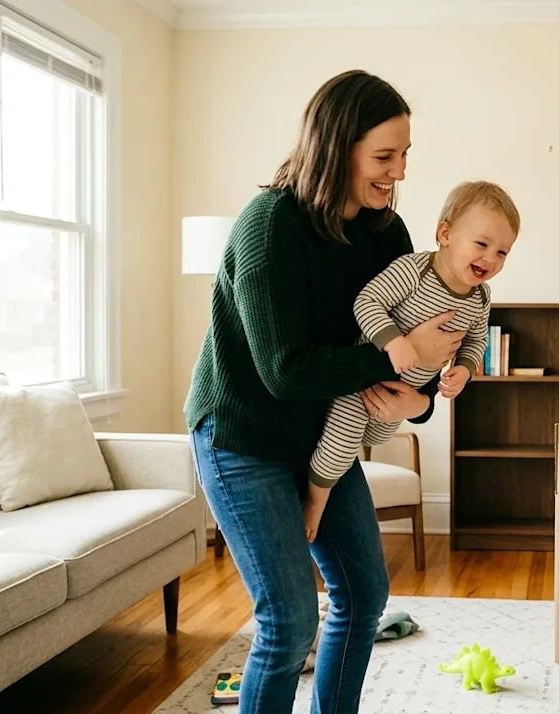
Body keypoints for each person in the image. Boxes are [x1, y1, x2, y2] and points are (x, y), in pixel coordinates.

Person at [183, 70, 466, 714]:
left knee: (364, 595)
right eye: (384, 157)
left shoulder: (386, 235)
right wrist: (389, 358)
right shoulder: (268, 225)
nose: (397, 173)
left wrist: (418, 400)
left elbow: (410, 363)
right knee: (287, 621)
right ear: (338, 147)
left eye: (404, 157)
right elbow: (285, 368)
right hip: (242, 436)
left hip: (316, 440)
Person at [302, 180, 520, 541]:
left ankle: (332, 478)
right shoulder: (415, 271)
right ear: (445, 233)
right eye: (481, 244)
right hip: (363, 381)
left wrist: (464, 369)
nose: (490, 259)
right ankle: (315, 500)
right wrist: (394, 342)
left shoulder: (480, 297)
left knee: (377, 434)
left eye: (502, 253)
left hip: (402, 395)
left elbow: (475, 340)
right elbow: (366, 303)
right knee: (341, 445)